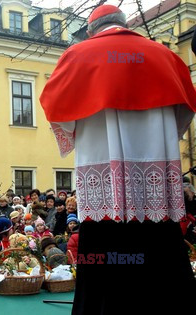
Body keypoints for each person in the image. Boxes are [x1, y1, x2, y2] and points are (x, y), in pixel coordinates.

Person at [40, 4, 196, 314]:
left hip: (105, 203)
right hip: (156, 197)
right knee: (164, 270)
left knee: (103, 270)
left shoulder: (78, 56)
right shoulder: (165, 56)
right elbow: (185, 111)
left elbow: (55, 106)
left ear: (92, 30)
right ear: (123, 23)